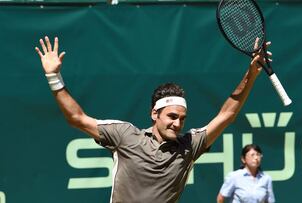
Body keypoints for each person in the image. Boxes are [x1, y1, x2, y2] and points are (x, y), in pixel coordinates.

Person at [35, 36, 270, 203]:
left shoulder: (190, 145)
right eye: (171, 116)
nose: (177, 123)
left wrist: (251, 74)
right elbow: (77, 118)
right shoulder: (125, 135)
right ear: (154, 114)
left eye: (182, 118)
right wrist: (53, 76)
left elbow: (227, 114)